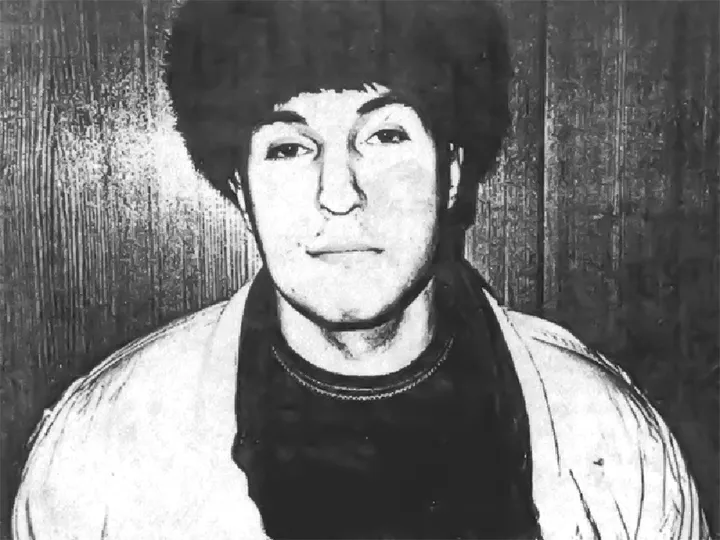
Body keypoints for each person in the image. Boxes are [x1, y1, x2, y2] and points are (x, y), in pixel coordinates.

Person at [12, 1, 709, 539]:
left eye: (384, 135)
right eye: (289, 148)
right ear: (240, 189)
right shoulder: (102, 448)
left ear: (450, 173)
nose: (339, 194)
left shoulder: (609, 436)